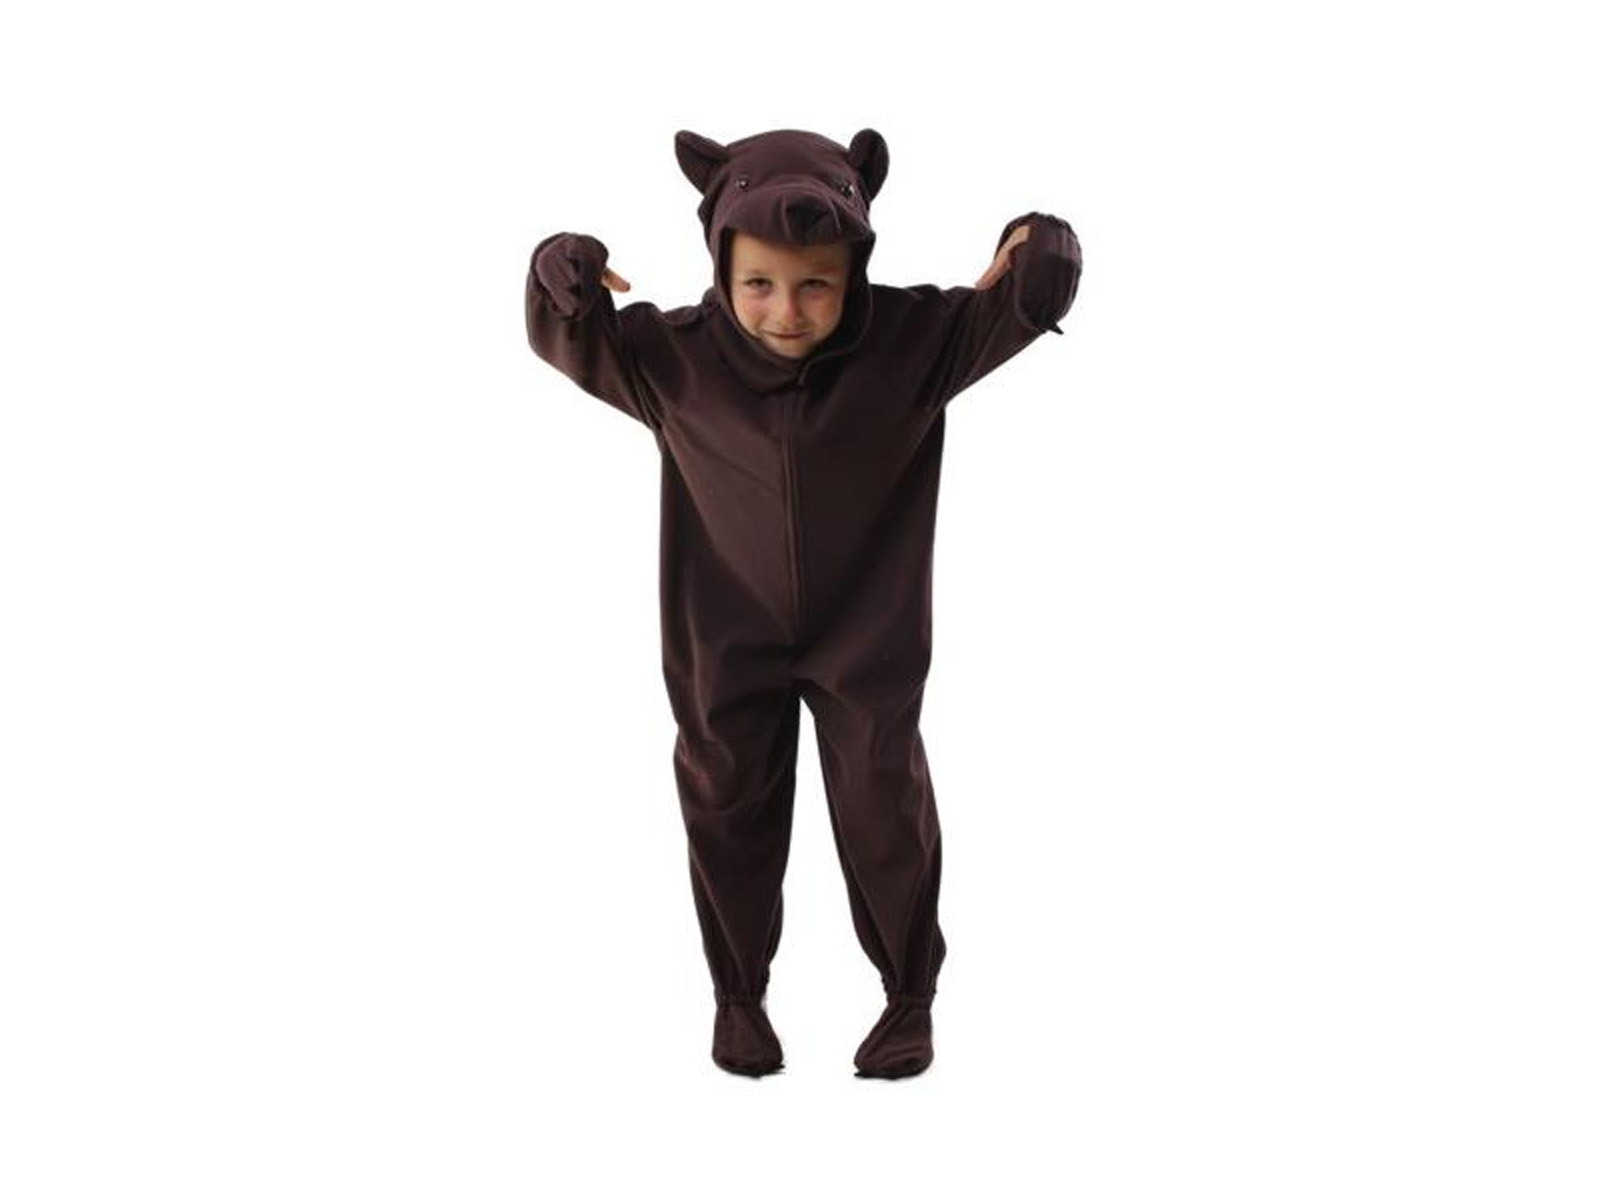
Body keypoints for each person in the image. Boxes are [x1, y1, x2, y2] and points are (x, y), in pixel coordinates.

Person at [525, 127, 1082, 1079]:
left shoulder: (916, 343)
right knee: (725, 801)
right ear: (721, 266)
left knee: (883, 802)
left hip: (867, 638)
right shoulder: (674, 357)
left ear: (855, 268)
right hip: (722, 634)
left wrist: (1040, 242)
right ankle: (739, 999)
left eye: (816, 284)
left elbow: (1028, 299)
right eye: (758, 284)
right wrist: (559, 266)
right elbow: (568, 332)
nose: (786, 311)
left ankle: (909, 997)